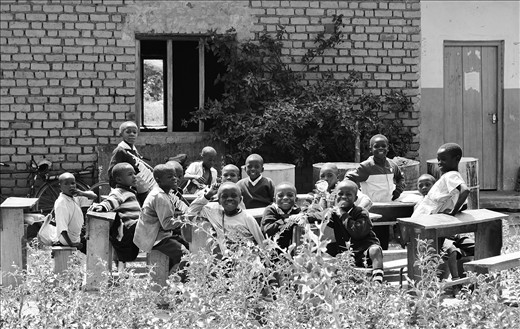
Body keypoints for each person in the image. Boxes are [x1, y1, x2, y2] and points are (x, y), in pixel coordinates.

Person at [412, 143, 472, 291]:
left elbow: (465, 191)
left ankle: (427, 289)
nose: (439, 163)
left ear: (456, 159)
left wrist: (452, 212)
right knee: (430, 253)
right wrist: (453, 210)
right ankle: (434, 287)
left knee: (426, 254)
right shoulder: (450, 176)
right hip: (426, 218)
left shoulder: (451, 175)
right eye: (438, 159)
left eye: (443, 159)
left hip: (425, 220)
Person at [344, 134, 405, 249]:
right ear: (371, 149)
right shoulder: (367, 166)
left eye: (384, 146)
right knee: (372, 241)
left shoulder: (392, 164)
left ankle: (383, 263)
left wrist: (398, 191)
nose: (380, 149)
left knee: (384, 239)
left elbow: (400, 178)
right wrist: (358, 196)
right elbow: (349, 179)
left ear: (388, 148)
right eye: (376, 146)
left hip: (387, 208)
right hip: (371, 210)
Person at [133, 164, 189, 278]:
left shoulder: (163, 193)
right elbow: (167, 224)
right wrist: (184, 220)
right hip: (155, 238)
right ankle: (180, 283)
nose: (175, 179)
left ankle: (169, 276)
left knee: (188, 245)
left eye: (175, 176)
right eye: (170, 177)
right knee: (185, 256)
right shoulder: (160, 196)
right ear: (158, 180)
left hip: (159, 234)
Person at [328, 181, 384, 283]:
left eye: (348, 194)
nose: (344, 197)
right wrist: (302, 216)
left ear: (355, 199)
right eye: (340, 194)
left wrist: (343, 215)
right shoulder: (334, 213)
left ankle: (377, 281)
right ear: (336, 196)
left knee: (375, 250)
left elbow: (357, 233)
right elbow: (318, 216)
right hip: (347, 253)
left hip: (365, 251)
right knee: (326, 248)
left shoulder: (361, 212)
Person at [188, 182, 265, 254]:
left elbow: (261, 241)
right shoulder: (214, 213)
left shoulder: (246, 218)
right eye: (224, 196)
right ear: (219, 200)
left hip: (248, 260)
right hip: (227, 262)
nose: (229, 199)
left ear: (240, 199)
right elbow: (192, 210)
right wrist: (208, 195)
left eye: (234, 196)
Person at [90, 163, 141, 267]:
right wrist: (103, 206)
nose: (134, 176)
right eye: (130, 174)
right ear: (119, 180)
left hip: (134, 227)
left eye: (134, 174)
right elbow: (112, 199)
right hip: (130, 228)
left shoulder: (129, 191)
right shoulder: (119, 191)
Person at [108, 121, 156, 205]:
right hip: (126, 188)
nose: (132, 134)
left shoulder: (133, 150)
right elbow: (112, 171)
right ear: (121, 134)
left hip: (136, 186)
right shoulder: (120, 151)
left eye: (134, 132)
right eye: (128, 132)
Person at [54, 172, 96, 254]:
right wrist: (71, 244)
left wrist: (82, 193)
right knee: (93, 251)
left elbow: (94, 196)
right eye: (66, 184)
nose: (71, 186)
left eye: (73, 183)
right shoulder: (61, 203)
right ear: (60, 187)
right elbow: (62, 227)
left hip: (76, 235)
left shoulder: (75, 197)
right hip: (68, 239)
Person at [261, 182, 301, 251]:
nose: (285, 198)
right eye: (280, 195)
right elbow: (267, 230)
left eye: (290, 195)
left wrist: (302, 217)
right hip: (274, 251)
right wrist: (285, 220)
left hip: (291, 250)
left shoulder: (297, 210)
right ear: (274, 200)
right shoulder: (271, 210)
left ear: (296, 199)